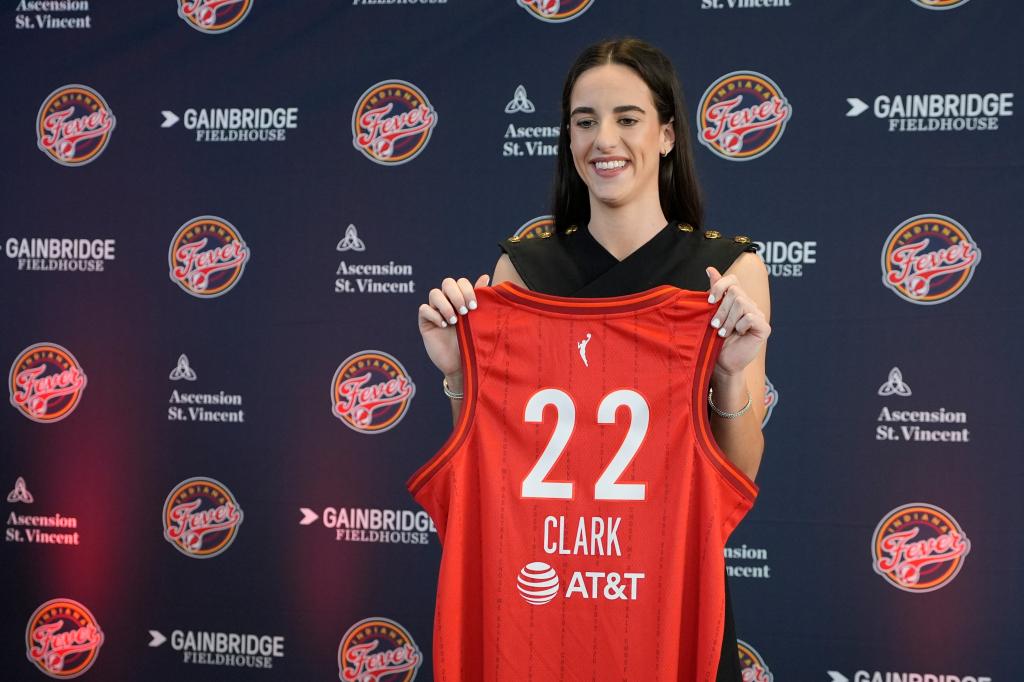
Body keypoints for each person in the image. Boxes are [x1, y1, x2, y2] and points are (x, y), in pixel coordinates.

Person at [415, 37, 770, 681]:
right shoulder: (520, 272)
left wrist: (729, 372)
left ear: (666, 135)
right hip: (537, 613)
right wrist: (457, 377)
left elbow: (737, 476)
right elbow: (490, 463)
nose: (604, 139)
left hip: (665, 604)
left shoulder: (726, 270)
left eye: (627, 119)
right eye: (585, 121)